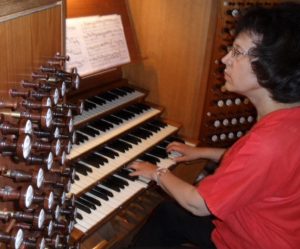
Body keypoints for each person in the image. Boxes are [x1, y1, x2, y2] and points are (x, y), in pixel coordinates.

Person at [127, 3, 300, 249]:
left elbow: (198, 204)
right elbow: (257, 167)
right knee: (168, 215)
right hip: (276, 233)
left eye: (237, 52)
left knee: (170, 213)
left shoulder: (266, 142)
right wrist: (202, 152)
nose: (225, 59)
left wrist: (157, 173)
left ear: (272, 67)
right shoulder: (290, 117)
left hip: (247, 242)